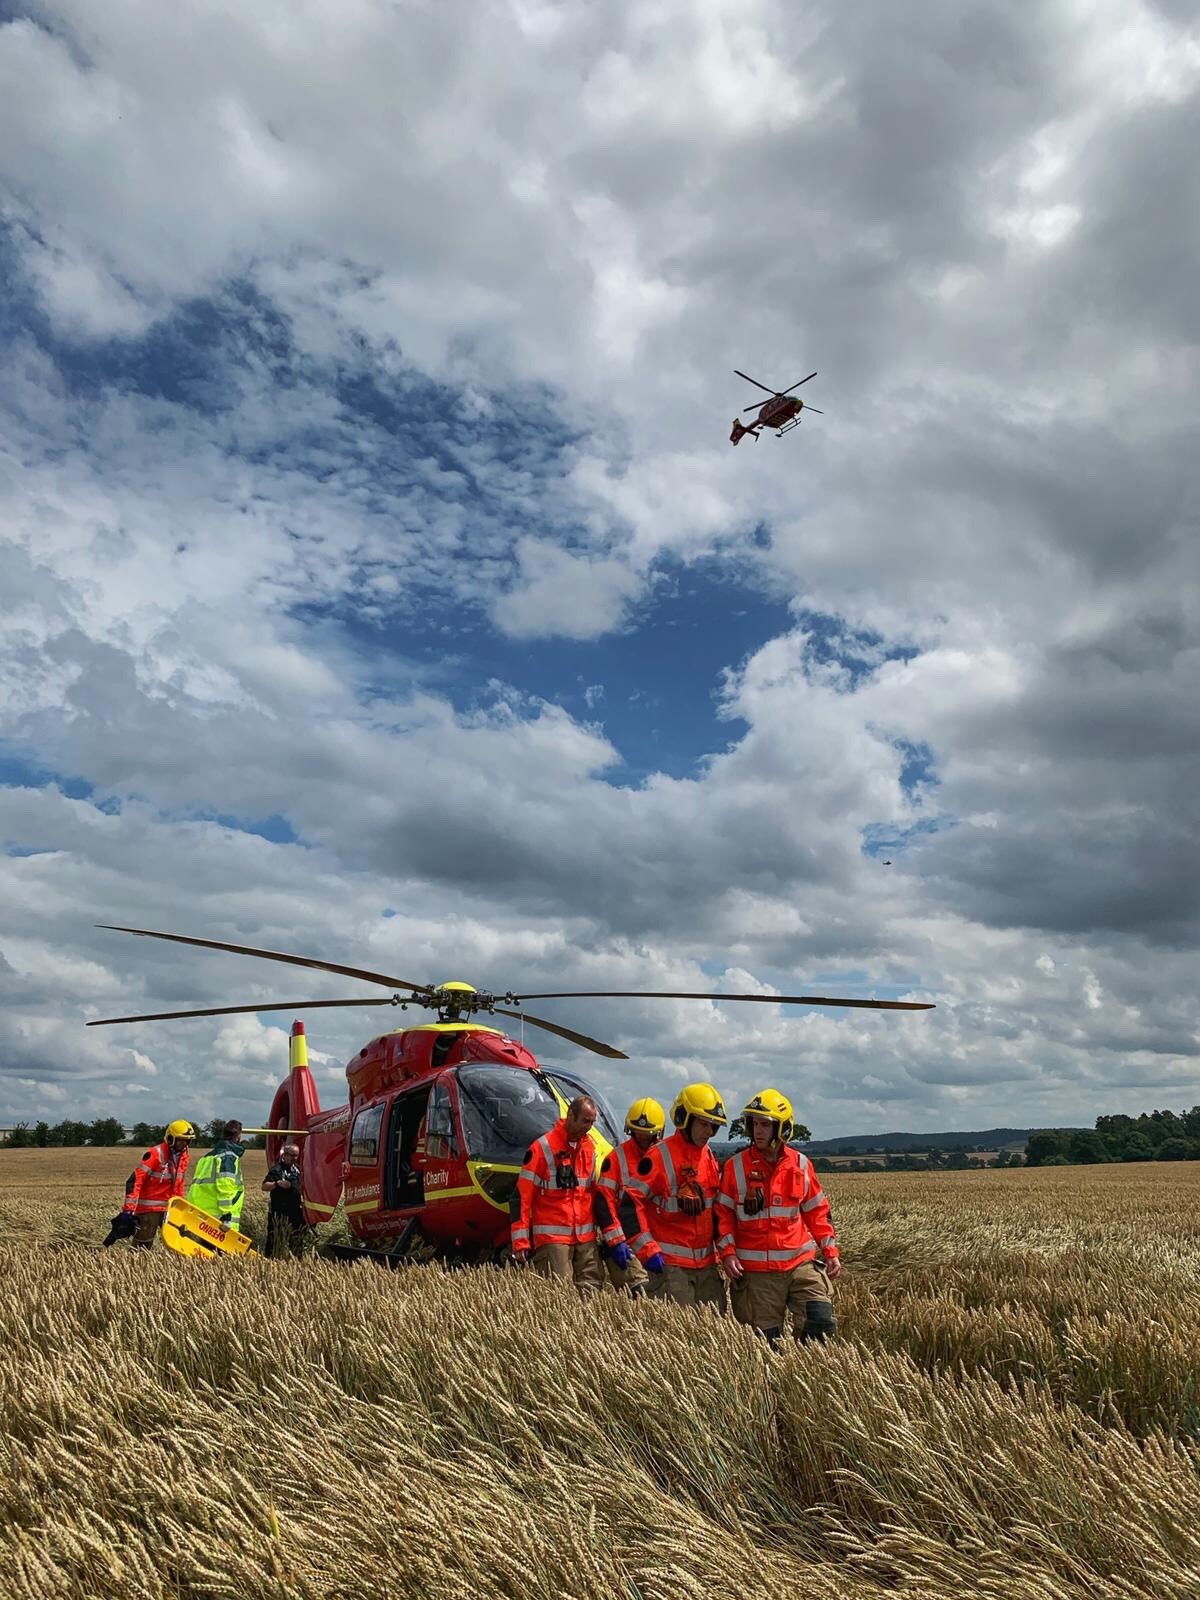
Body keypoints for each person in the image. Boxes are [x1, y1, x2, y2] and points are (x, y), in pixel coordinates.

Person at [716, 1089, 841, 1346]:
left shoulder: (801, 1165)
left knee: (820, 1323)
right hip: (757, 1273)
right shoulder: (735, 1167)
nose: (757, 1130)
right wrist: (727, 1253)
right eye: (754, 1124)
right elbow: (722, 1215)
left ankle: (809, 1378)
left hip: (800, 1264)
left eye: (765, 1124)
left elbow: (818, 1212)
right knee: (768, 1346)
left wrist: (830, 1251)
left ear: (782, 1128)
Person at [627, 1082, 727, 1311]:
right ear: (684, 1118)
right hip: (670, 1267)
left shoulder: (708, 1156)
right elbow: (629, 1203)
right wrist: (646, 1249)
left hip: (706, 1266)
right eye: (704, 1124)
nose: (709, 1132)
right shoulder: (660, 1154)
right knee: (681, 1330)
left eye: (714, 1126)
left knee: (716, 1325)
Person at [510, 1094, 603, 1294]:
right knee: (557, 1296)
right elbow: (521, 1197)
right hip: (553, 1240)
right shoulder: (542, 1148)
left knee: (594, 1294)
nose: (588, 1127)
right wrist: (520, 1242)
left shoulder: (590, 1148)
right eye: (585, 1121)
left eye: (592, 1122)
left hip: (585, 1240)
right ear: (571, 1115)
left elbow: (593, 1194)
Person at [594, 1097, 668, 1298]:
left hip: (658, 1243)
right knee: (641, 1295)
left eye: (648, 1134)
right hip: (627, 1242)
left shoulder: (666, 1157)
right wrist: (615, 1241)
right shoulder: (616, 1158)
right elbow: (603, 1199)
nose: (642, 1138)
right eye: (638, 1133)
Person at [121, 1119, 194, 1249]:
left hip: (171, 1208)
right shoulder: (155, 1154)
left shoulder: (184, 1156)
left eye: (187, 1140)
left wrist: (180, 1206)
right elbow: (135, 1181)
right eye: (181, 1139)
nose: (184, 1144)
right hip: (149, 1210)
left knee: (178, 1243)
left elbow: (179, 1184)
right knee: (142, 1246)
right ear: (171, 1138)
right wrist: (128, 1209)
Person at [187, 1119, 247, 1230]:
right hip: (217, 1220)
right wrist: (227, 1216)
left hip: (199, 1215)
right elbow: (225, 1186)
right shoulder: (228, 1157)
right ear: (238, 1137)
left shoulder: (206, 1158)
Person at [262, 1141, 307, 1257]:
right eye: (291, 1155)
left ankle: (295, 1262)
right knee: (274, 1240)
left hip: (295, 1212)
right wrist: (277, 1184)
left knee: (297, 1241)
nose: (294, 1158)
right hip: (279, 1213)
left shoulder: (297, 1169)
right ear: (284, 1155)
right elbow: (264, 1186)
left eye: (296, 1155)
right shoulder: (277, 1169)